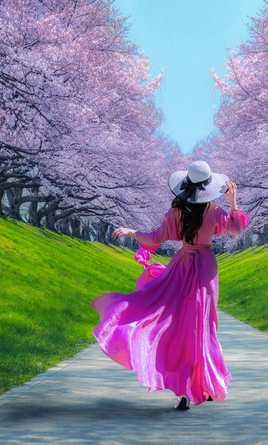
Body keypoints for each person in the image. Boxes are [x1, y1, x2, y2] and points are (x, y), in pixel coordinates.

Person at [91, 160, 250, 411]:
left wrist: (132, 232)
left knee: (179, 325)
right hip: (205, 269)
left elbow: (155, 237)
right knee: (202, 325)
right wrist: (233, 201)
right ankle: (201, 384)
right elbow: (236, 227)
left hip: (182, 266)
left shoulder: (176, 212)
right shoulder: (214, 211)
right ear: (209, 187)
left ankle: (184, 390)